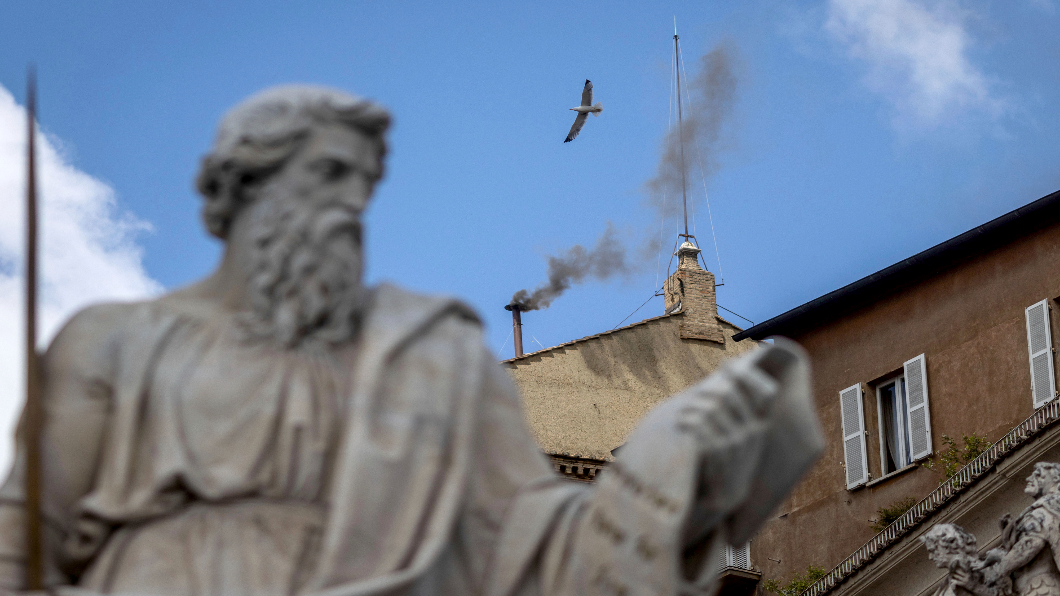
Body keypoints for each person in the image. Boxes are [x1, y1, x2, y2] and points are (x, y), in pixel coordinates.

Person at [0, 86, 823, 596]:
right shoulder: (115, 347)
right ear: (231, 196)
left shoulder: (435, 355)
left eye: (355, 191)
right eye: (313, 183)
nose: (338, 217)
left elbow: (542, 545)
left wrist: (668, 472)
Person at [982, 462, 1060, 596]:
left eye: (1038, 475)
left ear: (1056, 479)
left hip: (1040, 588)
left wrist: (1000, 568)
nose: (1028, 478)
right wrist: (1009, 539)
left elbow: (1030, 545)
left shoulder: (1045, 508)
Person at [921, 524, 1004, 596]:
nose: (930, 557)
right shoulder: (944, 588)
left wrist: (975, 587)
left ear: (948, 546)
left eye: (933, 550)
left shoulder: (989, 568)